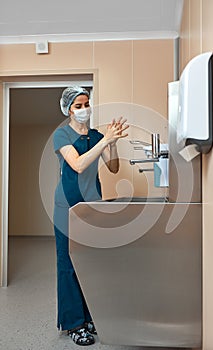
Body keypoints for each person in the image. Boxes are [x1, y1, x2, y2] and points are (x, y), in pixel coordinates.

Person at [53, 85, 128, 346]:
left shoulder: (97, 136)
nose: (84, 110)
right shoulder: (61, 135)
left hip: (92, 207)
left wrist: (113, 144)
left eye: (86, 104)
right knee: (68, 266)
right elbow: (78, 164)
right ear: (68, 110)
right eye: (78, 106)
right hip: (67, 207)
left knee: (90, 263)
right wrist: (105, 141)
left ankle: (89, 317)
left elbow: (114, 167)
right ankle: (74, 323)